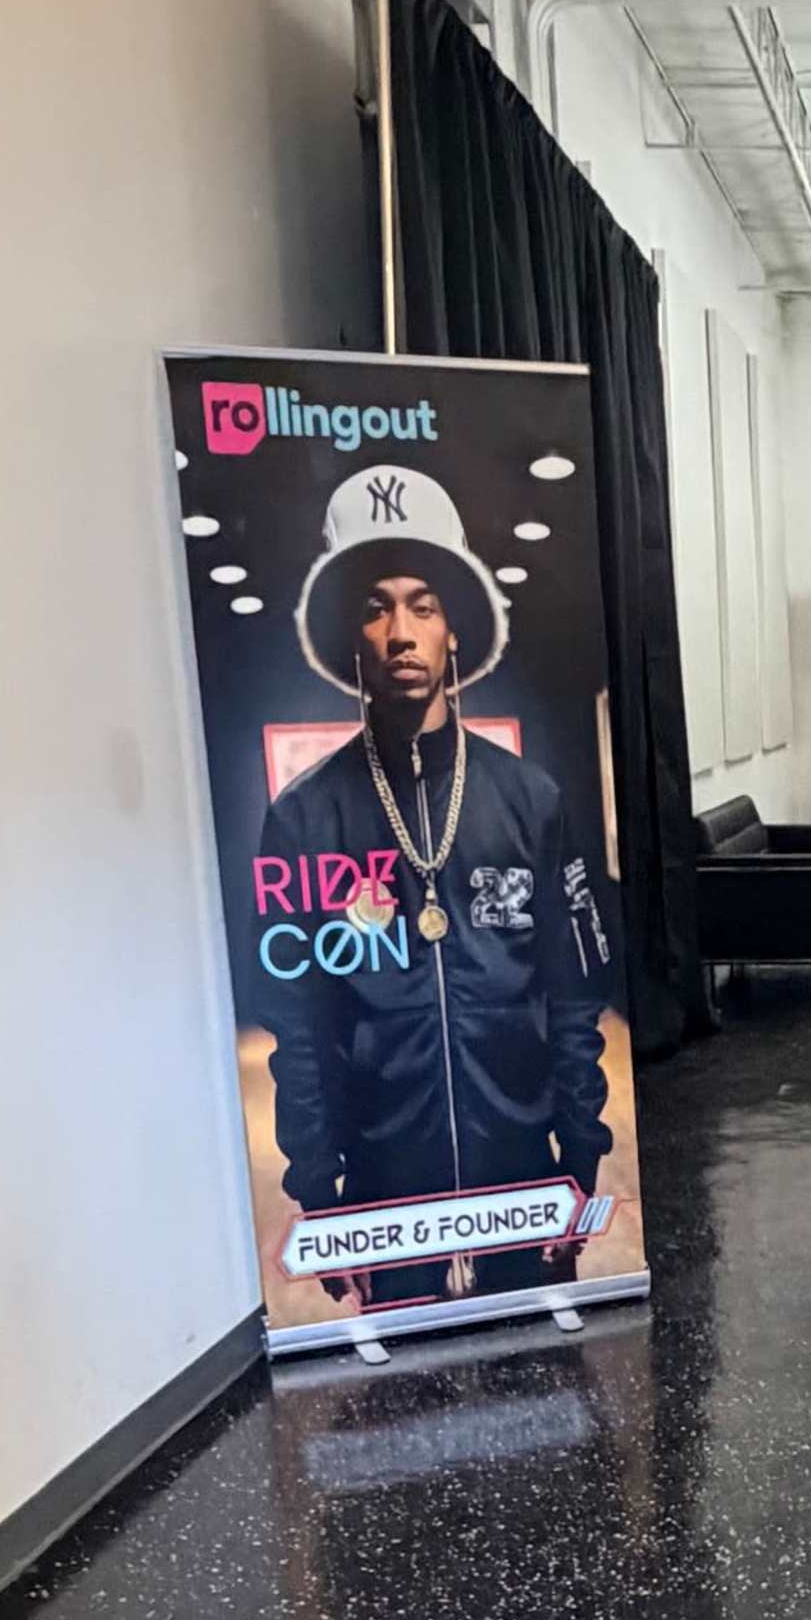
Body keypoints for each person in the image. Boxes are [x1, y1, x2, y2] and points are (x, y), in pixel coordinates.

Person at [255, 462, 616, 1308]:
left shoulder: (530, 799)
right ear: (353, 632)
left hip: (523, 1168)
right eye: (377, 606)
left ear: (454, 628)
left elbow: (572, 998)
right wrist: (317, 1184)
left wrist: (583, 1150)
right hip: (384, 1187)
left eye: (424, 603)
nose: (402, 631)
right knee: (402, 1416)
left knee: (534, 1397)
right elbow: (297, 1023)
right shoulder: (305, 820)